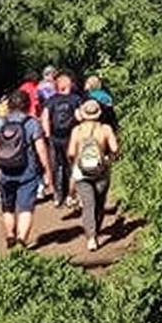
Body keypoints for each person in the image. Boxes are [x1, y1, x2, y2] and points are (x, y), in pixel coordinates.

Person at [0, 88, 51, 249]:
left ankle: (10, 235)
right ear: (27, 105)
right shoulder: (32, 123)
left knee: (7, 207)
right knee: (26, 208)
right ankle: (22, 239)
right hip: (27, 172)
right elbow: (41, 149)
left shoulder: (0, 123)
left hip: (4, 171)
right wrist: (47, 170)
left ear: (9, 105)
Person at [67, 98, 121, 252]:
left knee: (88, 205)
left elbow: (71, 152)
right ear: (99, 114)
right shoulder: (105, 129)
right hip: (101, 171)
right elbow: (115, 149)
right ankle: (96, 228)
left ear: (83, 114)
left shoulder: (77, 130)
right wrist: (110, 158)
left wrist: (75, 161)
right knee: (99, 203)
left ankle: (91, 238)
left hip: (82, 172)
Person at [41, 70, 83, 209]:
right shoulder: (76, 99)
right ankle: (71, 195)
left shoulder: (51, 100)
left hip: (54, 137)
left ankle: (58, 196)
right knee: (71, 165)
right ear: (67, 84)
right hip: (71, 137)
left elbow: (45, 117)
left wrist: (47, 134)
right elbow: (79, 117)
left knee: (56, 165)